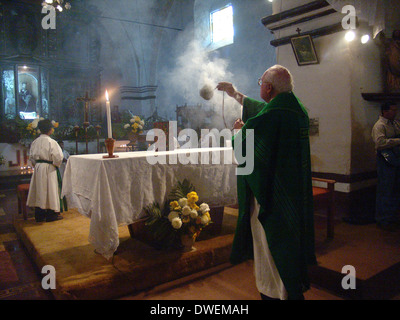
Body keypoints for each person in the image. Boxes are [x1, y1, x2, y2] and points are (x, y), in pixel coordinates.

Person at [217, 65, 316, 300]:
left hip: (271, 195)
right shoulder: (294, 108)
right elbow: (263, 109)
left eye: (261, 82)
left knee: (272, 247)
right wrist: (235, 94)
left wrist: (239, 132)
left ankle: (276, 294)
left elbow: (246, 152)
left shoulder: (275, 114)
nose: (260, 85)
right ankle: (288, 288)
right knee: (288, 244)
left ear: (269, 87)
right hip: (292, 189)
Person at [27, 119, 65, 222]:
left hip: (39, 168)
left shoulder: (35, 142)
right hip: (49, 168)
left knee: (40, 190)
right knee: (50, 190)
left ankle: (39, 215)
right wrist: (55, 165)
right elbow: (58, 157)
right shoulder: (52, 142)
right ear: (51, 130)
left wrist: (37, 165)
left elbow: (31, 157)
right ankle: (51, 215)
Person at [371, 102, 400, 231]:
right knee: (385, 189)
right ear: (385, 111)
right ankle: (382, 218)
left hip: (395, 159)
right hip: (385, 160)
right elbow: (380, 143)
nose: (395, 112)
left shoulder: (395, 124)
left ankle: (392, 216)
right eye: (393, 110)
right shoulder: (379, 126)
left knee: (394, 188)